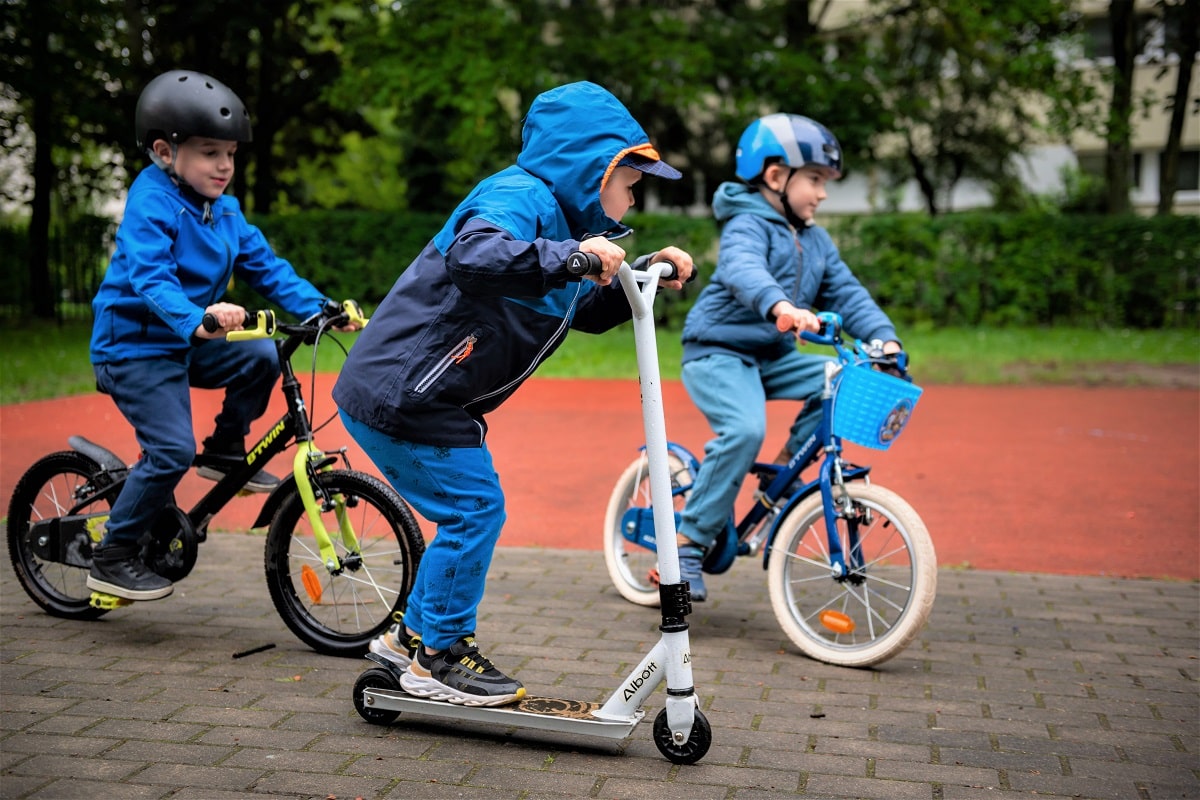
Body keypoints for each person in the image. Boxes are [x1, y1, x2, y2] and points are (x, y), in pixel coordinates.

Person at [333, 81, 694, 707]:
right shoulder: (518, 195)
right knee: (474, 509)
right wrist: (574, 257)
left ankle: (408, 639)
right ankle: (440, 656)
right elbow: (476, 255)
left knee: (470, 508)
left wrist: (643, 276)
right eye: (629, 181)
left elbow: (581, 310)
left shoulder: (564, 230)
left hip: (430, 395)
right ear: (592, 169)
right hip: (403, 392)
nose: (634, 197)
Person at [87, 69, 356, 603]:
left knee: (262, 354)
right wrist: (198, 317)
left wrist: (321, 307)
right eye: (210, 152)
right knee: (170, 451)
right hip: (135, 349)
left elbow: (267, 268)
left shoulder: (224, 209)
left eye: (230, 153)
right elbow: (150, 276)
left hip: (187, 343)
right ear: (165, 152)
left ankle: (225, 449)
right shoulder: (151, 201)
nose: (225, 166)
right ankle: (112, 555)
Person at [675, 113, 905, 601]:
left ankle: (781, 470)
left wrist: (886, 341)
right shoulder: (746, 224)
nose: (822, 194)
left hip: (772, 356)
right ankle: (687, 544)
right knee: (744, 431)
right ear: (776, 176)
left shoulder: (815, 239)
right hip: (718, 353)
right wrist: (781, 306)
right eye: (815, 180)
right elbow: (742, 269)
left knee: (845, 378)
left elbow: (848, 293)